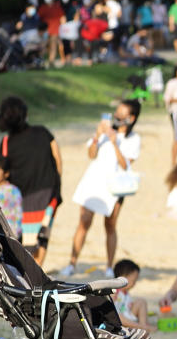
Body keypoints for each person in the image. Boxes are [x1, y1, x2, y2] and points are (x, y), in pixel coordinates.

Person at [60, 101, 142, 277]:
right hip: (94, 181)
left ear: (131, 118)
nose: (117, 118)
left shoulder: (133, 139)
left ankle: (109, 266)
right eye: (116, 114)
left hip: (115, 187)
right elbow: (91, 154)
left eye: (121, 115)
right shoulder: (105, 132)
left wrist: (115, 143)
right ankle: (72, 263)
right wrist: (97, 136)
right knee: (84, 222)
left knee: (110, 225)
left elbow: (126, 165)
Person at [0, 96, 61, 265]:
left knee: (24, 242)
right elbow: (58, 160)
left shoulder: (6, 142)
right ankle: (38, 271)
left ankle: (32, 277)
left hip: (20, 200)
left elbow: (2, 171)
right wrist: (57, 186)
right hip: (47, 193)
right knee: (42, 237)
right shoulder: (43, 132)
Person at [110, 259, 155, 332]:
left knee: (141, 301)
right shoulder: (114, 291)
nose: (134, 283)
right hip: (119, 320)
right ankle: (142, 327)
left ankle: (143, 324)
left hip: (128, 316)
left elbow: (126, 305)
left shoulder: (126, 292)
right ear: (123, 277)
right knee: (117, 316)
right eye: (133, 281)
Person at [0, 155, 22, 239]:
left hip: (11, 233)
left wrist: (16, 232)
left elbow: (18, 212)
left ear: (6, 173)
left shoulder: (13, 190)